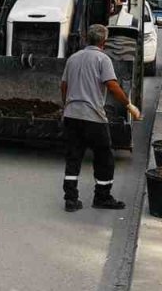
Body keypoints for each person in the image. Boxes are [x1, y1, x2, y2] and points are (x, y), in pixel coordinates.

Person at [60, 25, 142, 212]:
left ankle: (70, 199)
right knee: (104, 158)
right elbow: (112, 85)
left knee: (73, 157)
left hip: (72, 115)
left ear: (86, 38)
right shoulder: (103, 59)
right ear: (104, 42)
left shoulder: (72, 58)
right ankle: (102, 197)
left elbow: (63, 85)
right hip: (93, 117)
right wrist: (129, 105)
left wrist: (66, 106)